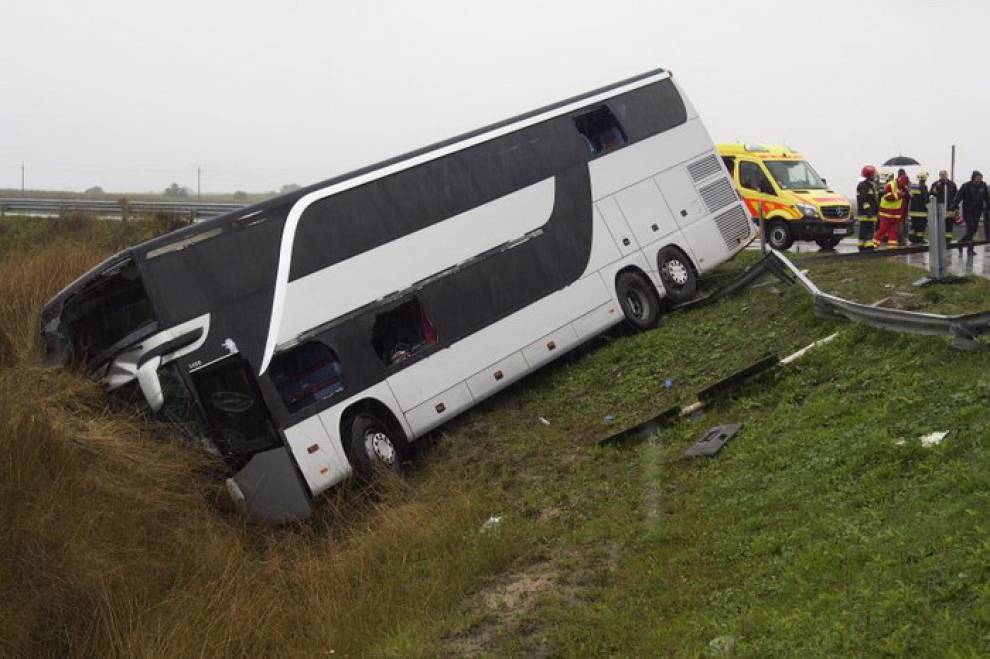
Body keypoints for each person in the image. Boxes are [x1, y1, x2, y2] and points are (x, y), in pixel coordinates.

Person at [951, 170, 989, 251]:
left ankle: (961, 242)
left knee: (974, 229)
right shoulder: (966, 185)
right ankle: (970, 249)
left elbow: (987, 198)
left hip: (978, 211)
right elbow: (958, 196)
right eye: (977, 177)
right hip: (968, 210)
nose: (978, 179)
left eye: (980, 177)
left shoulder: (983, 185)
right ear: (973, 177)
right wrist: (954, 207)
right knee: (971, 228)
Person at [876, 173, 908, 248]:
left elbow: (904, 202)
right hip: (886, 212)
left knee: (893, 231)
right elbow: (887, 197)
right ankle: (875, 245)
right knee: (883, 229)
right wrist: (899, 195)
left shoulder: (903, 188)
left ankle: (892, 249)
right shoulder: (890, 185)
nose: (904, 186)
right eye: (903, 184)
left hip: (895, 213)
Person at [929, 170, 958, 245]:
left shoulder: (952, 184)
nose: (942, 176)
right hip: (939, 208)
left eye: (944, 174)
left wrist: (955, 208)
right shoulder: (936, 184)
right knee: (940, 224)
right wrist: (935, 188)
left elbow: (956, 196)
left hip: (950, 208)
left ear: (947, 175)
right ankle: (940, 239)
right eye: (941, 175)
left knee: (949, 224)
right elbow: (931, 193)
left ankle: (948, 240)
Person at [855, 165, 880, 250]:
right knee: (868, 228)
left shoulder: (868, 185)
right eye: (874, 175)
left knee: (864, 228)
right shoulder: (864, 185)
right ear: (870, 175)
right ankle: (868, 244)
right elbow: (864, 199)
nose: (875, 176)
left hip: (867, 212)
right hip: (867, 213)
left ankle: (862, 244)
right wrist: (868, 210)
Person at [908, 171, 930, 244]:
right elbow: (926, 198)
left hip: (913, 211)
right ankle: (920, 239)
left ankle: (915, 238)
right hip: (921, 211)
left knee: (915, 225)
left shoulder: (913, 186)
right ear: (924, 179)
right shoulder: (923, 186)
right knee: (921, 226)